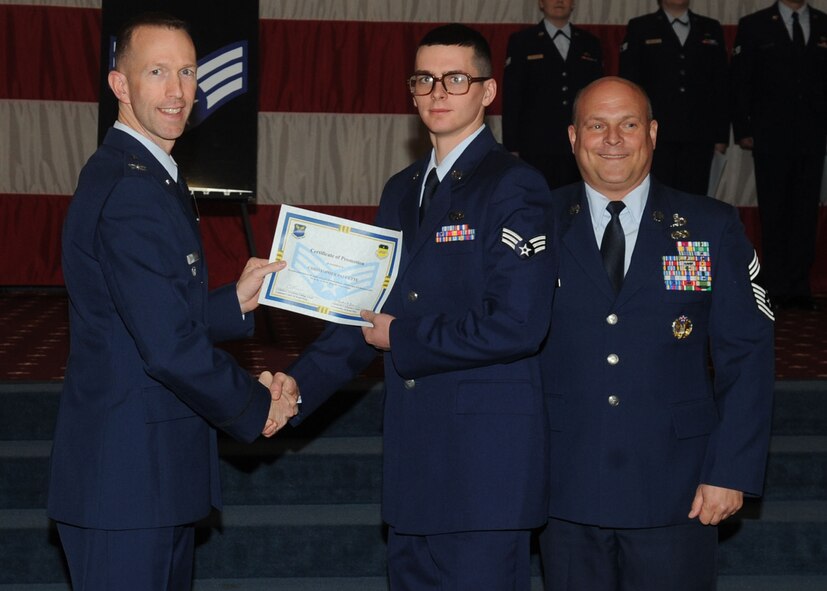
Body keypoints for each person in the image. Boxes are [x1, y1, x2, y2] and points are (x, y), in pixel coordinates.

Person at [283, 23, 556, 591]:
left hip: (485, 471)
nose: (437, 91)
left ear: (487, 92)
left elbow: (518, 325)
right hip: (415, 465)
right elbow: (368, 311)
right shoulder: (401, 189)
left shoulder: (516, 186)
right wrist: (293, 388)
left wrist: (404, 338)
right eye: (424, 79)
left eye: (456, 79)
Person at [47, 13, 298, 590]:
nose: (178, 90)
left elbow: (135, 315)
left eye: (187, 71)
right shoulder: (132, 186)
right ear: (120, 86)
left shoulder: (148, 172)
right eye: (156, 71)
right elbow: (167, 348)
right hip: (128, 483)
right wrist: (255, 406)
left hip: (143, 476)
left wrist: (229, 302)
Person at [538, 77, 774, 591]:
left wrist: (730, 469)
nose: (613, 139)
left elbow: (746, 355)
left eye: (628, 124)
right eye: (597, 126)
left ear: (653, 132)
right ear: (574, 137)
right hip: (563, 481)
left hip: (678, 485)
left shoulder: (710, 226)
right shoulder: (536, 224)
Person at [731, 0, 827, 311]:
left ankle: (799, 287)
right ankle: (773, 286)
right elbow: (741, 78)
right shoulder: (754, 24)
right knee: (774, 212)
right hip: (770, 134)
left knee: (805, 212)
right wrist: (743, 127)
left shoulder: (824, 23)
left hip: (813, 135)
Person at [619, 0, 729, 196]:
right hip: (655, 134)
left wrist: (721, 136)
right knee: (656, 196)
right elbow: (630, 86)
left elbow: (721, 85)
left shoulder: (710, 27)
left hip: (700, 134)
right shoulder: (641, 27)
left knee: (695, 198)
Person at [503, 0, 603, 189]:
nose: (559, 1)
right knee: (537, 199)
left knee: (577, 199)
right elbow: (512, 98)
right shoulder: (522, 41)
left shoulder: (589, 42)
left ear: (573, 3)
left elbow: (596, 96)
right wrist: (511, 146)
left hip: (579, 141)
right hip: (536, 144)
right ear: (541, 3)